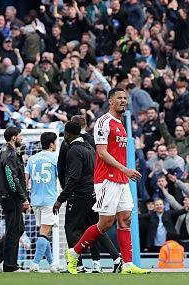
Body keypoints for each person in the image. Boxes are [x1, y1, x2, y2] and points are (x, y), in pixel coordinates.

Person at [64, 87, 150, 274]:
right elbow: (102, 152)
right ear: (110, 101)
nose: (123, 101)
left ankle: (127, 264)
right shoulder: (103, 122)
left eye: (125, 98)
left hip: (121, 179)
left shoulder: (120, 124)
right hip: (106, 179)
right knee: (105, 223)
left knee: (125, 219)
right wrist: (125, 169)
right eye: (119, 98)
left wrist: (124, 171)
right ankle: (74, 253)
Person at [54, 119, 123, 273]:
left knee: (72, 229)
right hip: (93, 192)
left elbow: (73, 177)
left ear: (68, 134)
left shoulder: (73, 150)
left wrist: (61, 199)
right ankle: (117, 259)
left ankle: (77, 265)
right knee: (97, 228)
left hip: (79, 195)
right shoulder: (90, 148)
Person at [0, 126, 28, 272]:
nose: (22, 138)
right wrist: (23, 198)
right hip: (11, 196)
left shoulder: (4, 152)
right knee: (13, 229)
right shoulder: (10, 155)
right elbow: (12, 178)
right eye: (20, 135)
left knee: (18, 228)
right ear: (14, 137)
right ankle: (9, 265)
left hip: (7, 195)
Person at [25, 132, 59, 272]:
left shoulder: (32, 159)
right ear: (51, 144)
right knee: (44, 233)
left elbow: (25, 180)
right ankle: (35, 263)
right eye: (56, 142)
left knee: (45, 231)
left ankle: (52, 264)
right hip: (49, 200)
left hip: (35, 199)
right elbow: (62, 178)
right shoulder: (55, 158)